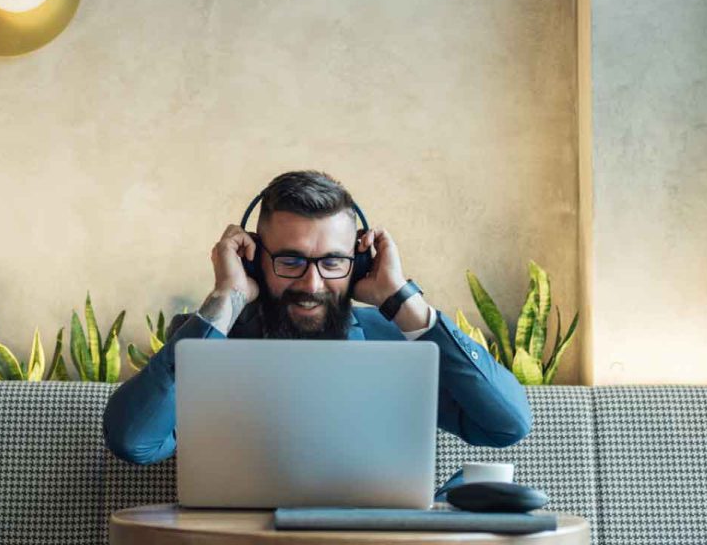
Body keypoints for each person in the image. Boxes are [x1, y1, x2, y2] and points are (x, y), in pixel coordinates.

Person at [103, 170, 532, 495]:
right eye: (290, 261)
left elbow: (507, 424)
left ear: (359, 263)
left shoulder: (399, 340)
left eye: (333, 262)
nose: (312, 285)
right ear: (254, 261)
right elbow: (134, 442)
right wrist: (225, 298)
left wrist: (403, 300)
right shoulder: (207, 339)